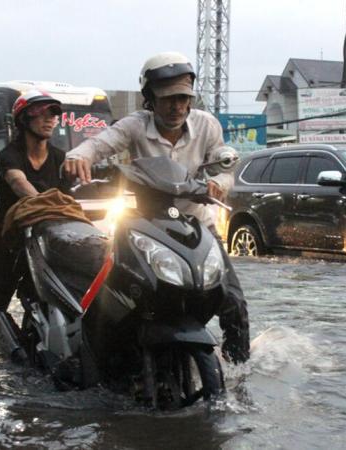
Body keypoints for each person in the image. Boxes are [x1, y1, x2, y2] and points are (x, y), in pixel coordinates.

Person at [63, 51, 250, 363]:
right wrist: (78, 156)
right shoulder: (135, 125)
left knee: (233, 302)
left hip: (198, 227)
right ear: (149, 99)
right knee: (115, 298)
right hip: (146, 228)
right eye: (167, 99)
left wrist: (220, 184)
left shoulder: (207, 126)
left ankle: (238, 375)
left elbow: (224, 168)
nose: (176, 106)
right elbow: (100, 143)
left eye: (182, 98)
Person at [0, 90, 67, 325]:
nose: (49, 119)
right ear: (23, 119)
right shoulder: (9, 155)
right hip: (8, 244)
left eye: (54, 113)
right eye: (42, 114)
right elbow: (19, 183)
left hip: (46, 244)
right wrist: (52, 206)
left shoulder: (61, 158)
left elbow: (75, 193)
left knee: (48, 305)